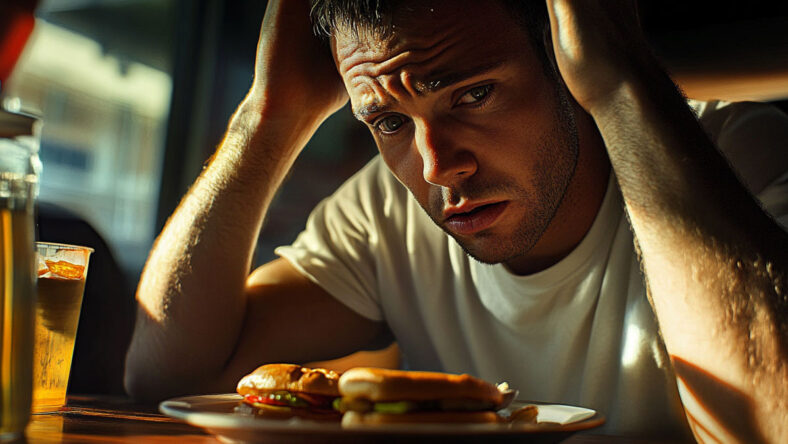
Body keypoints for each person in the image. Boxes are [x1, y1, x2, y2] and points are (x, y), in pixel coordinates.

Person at [124, 0, 788, 441]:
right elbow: (169, 373)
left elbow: (774, 420)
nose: (438, 168)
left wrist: (619, 81)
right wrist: (267, 118)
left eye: (472, 94)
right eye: (389, 122)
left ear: (568, 62)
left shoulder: (735, 157)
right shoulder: (385, 209)